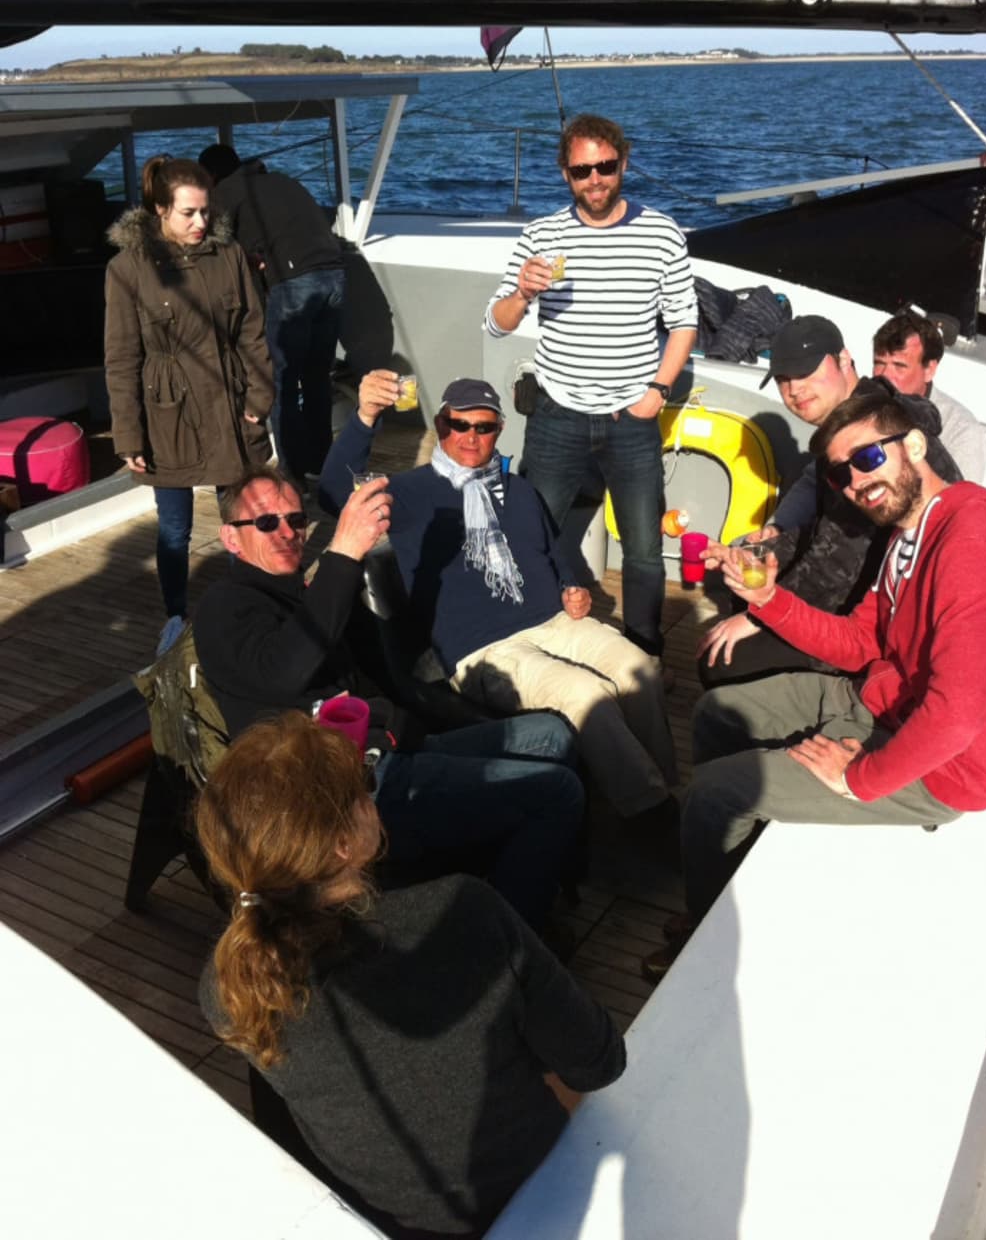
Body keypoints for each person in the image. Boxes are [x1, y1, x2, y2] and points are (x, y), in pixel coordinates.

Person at [196, 712, 625, 1240]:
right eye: (365, 784)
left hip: (388, 1219)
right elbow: (599, 1062)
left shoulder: (228, 986)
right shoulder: (465, 910)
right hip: (539, 1192)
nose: (372, 794)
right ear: (342, 846)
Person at [644, 388, 986, 978]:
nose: (857, 483)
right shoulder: (907, 534)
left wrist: (858, 777)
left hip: (942, 766)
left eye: (867, 459)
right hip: (874, 700)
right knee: (714, 714)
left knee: (713, 793)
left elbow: (957, 716)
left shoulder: (972, 535)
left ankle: (706, 954)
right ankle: (729, 884)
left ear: (914, 444)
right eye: (842, 474)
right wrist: (766, 599)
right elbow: (860, 642)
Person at [192, 464, 585, 933]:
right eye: (265, 522)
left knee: (553, 734)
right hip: (345, 793)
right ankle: (507, 937)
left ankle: (522, 875)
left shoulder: (307, 592)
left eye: (296, 520)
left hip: (393, 750)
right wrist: (342, 554)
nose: (286, 532)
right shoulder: (224, 606)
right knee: (557, 792)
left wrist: (416, 721)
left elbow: (379, 678)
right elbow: (285, 672)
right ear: (231, 539)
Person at [320, 373, 677, 819]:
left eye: (483, 427)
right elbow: (335, 492)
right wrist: (366, 416)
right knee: (589, 695)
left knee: (639, 668)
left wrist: (571, 587)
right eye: (458, 425)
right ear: (440, 423)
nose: (471, 436)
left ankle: (662, 783)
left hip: (556, 621)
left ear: (499, 430)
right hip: (484, 649)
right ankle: (651, 812)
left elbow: (551, 552)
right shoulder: (408, 494)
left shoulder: (520, 490)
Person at [485, 113, 698, 658]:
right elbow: (496, 322)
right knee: (533, 531)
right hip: (557, 413)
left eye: (605, 166)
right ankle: (532, 630)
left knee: (645, 547)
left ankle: (644, 651)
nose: (595, 180)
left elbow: (683, 323)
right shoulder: (541, 236)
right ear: (565, 174)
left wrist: (658, 391)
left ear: (623, 162)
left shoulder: (661, 233)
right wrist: (523, 294)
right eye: (582, 171)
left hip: (633, 417)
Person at [697, 315, 960, 687]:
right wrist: (761, 551)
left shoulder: (865, 434)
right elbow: (830, 532)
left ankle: (828, 708)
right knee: (743, 576)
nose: (795, 389)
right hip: (871, 590)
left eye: (806, 373)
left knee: (721, 660)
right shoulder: (850, 417)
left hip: (894, 625)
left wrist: (760, 613)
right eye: (785, 379)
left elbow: (837, 566)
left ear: (844, 360)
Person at [104, 155, 273, 654]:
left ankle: (251, 605)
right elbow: (120, 357)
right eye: (188, 214)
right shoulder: (126, 269)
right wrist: (127, 434)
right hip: (167, 414)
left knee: (244, 515)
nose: (201, 223)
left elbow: (252, 331)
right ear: (160, 210)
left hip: (231, 403)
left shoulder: (230, 255)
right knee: (175, 529)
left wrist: (261, 396)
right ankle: (175, 615)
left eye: (205, 211)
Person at [199, 143, 346, 485]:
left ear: (211, 176)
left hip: (294, 281)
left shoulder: (226, 191)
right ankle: (320, 461)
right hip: (335, 274)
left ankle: (291, 474)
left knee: (280, 380)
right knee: (316, 376)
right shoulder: (281, 180)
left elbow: (216, 248)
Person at [872, 308, 986, 482]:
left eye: (899, 366)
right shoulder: (862, 407)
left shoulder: (961, 431)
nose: (884, 375)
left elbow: (961, 503)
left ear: (929, 370)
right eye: (879, 363)